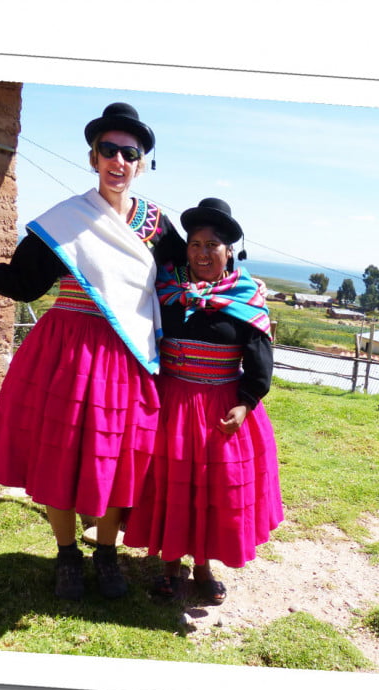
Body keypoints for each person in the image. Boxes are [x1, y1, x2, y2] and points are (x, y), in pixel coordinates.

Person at [0, 103, 187, 600]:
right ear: (93, 157)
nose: (118, 160)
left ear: (141, 164)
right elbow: (24, 284)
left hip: (128, 357)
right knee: (61, 456)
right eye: (108, 150)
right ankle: (67, 555)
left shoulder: (158, 227)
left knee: (115, 457)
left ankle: (106, 553)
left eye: (130, 153)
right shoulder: (67, 221)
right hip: (68, 353)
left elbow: (177, 286)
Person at [123, 198, 284, 605]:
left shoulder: (247, 296)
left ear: (230, 250)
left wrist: (246, 402)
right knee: (171, 489)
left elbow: (260, 359)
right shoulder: (167, 291)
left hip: (221, 408)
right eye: (195, 244)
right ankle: (170, 568)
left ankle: (204, 566)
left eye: (213, 245)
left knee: (213, 492)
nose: (202, 253)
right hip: (172, 405)